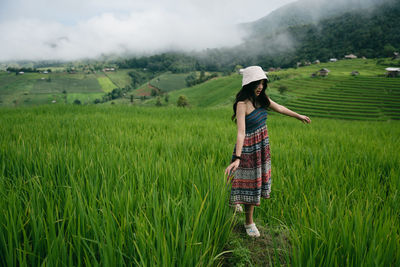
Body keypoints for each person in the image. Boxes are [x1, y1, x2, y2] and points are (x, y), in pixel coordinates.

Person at [225, 66, 311, 237]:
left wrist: (298, 116)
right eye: (258, 83)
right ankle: (248, 222)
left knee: (252, 181)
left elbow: (280, 108)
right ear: (249, 84)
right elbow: (241, 132)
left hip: (262, 147)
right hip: (248, 148)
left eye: (263, 83)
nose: (260, 87)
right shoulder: (243, 105)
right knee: (249, 182)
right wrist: (237, 157)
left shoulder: (263, 100)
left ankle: (236, 203)